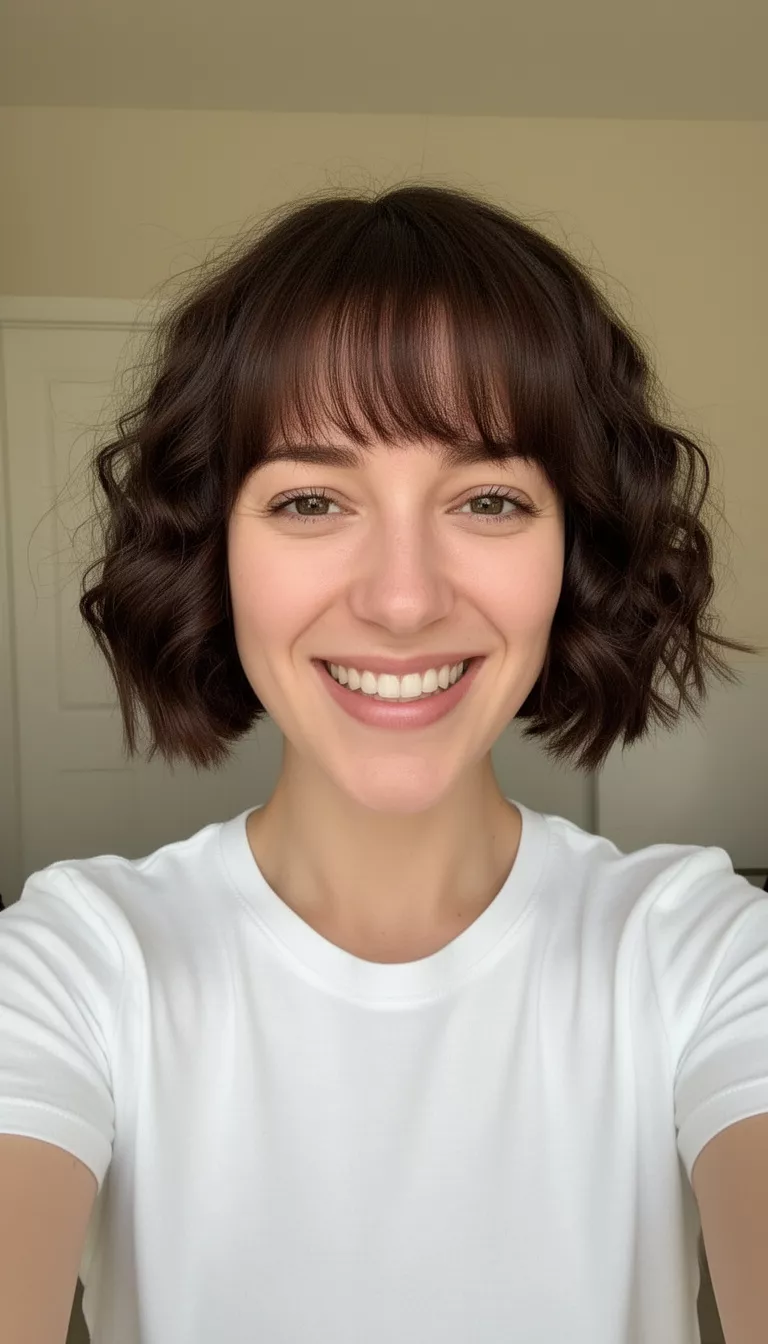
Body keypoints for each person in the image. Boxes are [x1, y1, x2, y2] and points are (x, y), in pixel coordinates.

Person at [1, 182, 766, 1344]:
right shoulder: (76, 965)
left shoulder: (697, 948)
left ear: (577, 550)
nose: (403, 599)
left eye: (491, 499)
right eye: (312, 499)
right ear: (215, 551)